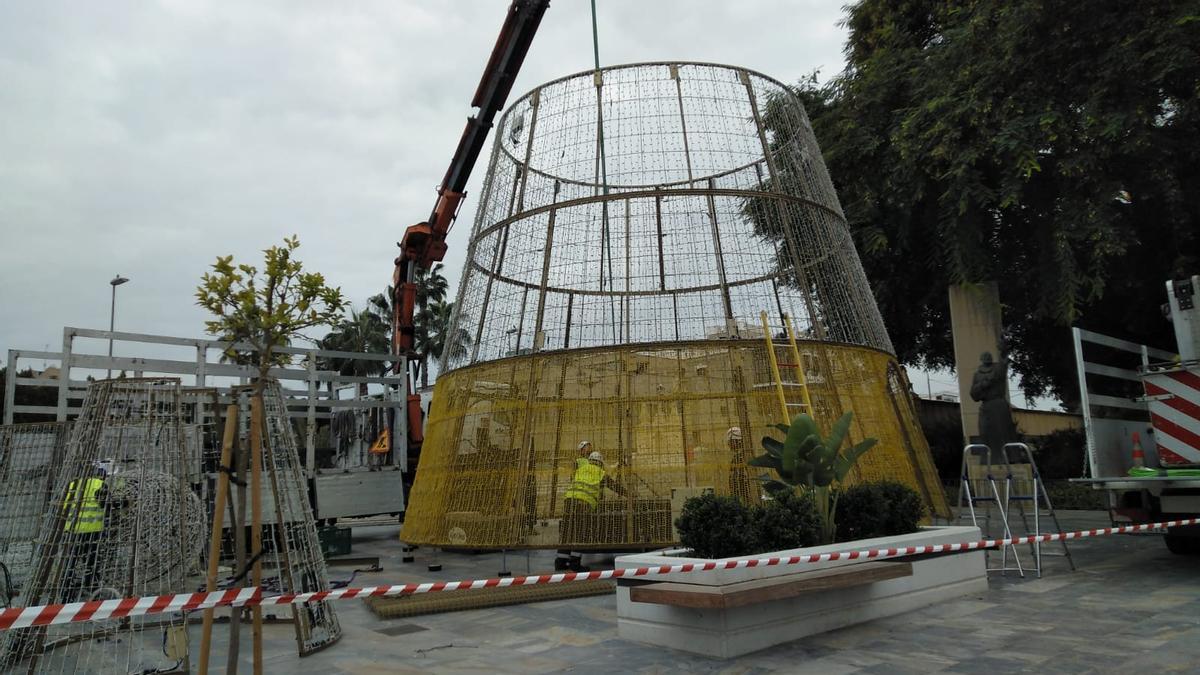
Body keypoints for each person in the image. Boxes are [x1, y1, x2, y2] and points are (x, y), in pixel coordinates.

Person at [556, 442, 626, 572]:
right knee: (581, 532)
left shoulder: (581, 469)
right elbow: (613, 486)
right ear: (599, 462)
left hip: (569, 500)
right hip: (583, 503)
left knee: (567, 530)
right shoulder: (600, 472)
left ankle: (560, 561)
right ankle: (575, 563)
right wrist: (628, 495)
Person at [60, 461, 110, 601]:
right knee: (92, 563)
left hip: (71, 532)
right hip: (92, 532)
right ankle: (92, 591)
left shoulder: (72, 485)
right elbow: (107, 505)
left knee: (70, 563)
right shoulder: (99, 485)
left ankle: (66, 594)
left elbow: (64, 507)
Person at [970, 350, 1018, 461]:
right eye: (985, 357)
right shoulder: (977, 375)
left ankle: (1010, 458)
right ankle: (988, 458)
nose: (987, 358)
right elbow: (973, 394)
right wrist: (983, 384)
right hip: (986, 406)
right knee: (984, 432)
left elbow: (1003, 361)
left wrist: (1003, 349)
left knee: (1004, 433)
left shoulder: (998, 369)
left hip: (999, 405)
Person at [726, 427, 753, 503]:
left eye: (730, 442)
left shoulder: (743, 456)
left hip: (743, 488)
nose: (728, 445)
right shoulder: (737, 457)